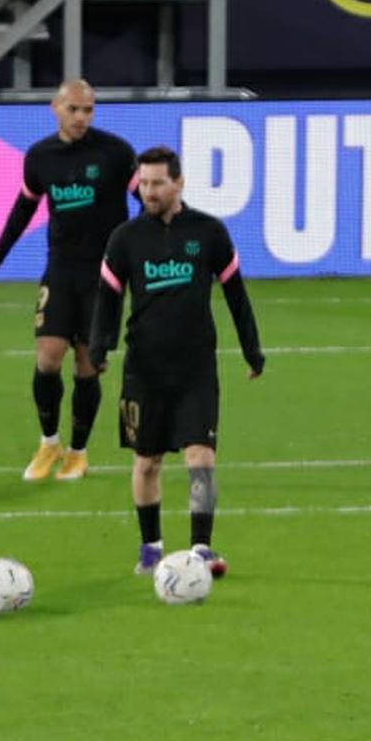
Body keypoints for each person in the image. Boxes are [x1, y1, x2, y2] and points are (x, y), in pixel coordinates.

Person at [87, 146, 264, 579]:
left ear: (179, 183)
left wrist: (251, 349)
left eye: (157, 183)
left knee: (200, 457)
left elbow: (236, 295)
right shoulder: (125, 238)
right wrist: (99, 347)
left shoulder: (208, 233)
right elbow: (108, 300)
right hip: (143, 370)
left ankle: (201, 547)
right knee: (146, 462)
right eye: (144, 183)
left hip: (196, 369)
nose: (148, 191)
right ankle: (151, 550)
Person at [0, 79, 137, 482]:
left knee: (87, 366)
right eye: (74, 109)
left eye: (88, 110)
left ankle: (78, 453)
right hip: (61, 270)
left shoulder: (115, 153)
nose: (81, 117)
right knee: (48, 358)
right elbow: (23, 209)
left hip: (104, 276)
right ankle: (49, 443)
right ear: (55, 108)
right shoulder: (39, 157)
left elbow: (148, 199)